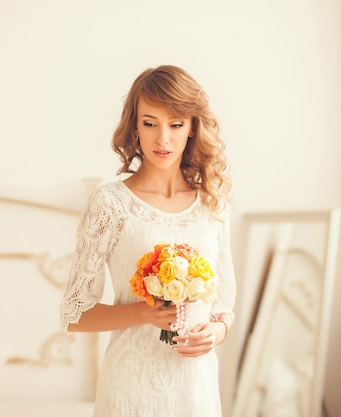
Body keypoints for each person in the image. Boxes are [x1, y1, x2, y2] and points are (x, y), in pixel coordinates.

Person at [59, 65, 236, 417]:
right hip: (131, 387)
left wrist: (216, 332)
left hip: (195, 387)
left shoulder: (213, 204)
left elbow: (223, 305)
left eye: (176, 124)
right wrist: (142, 313)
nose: (163, 139)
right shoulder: (109, 204)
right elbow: (73, 314)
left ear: (192, 129)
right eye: (150, 123)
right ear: (135, 128)